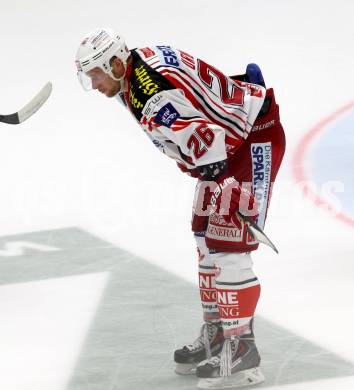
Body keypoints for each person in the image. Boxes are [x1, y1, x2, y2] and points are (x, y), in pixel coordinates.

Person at [75, 28, 286, 389]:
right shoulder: (137, 66)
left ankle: (243, 348)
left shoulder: (150, 93)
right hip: (231, 143)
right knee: (206, 239)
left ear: (113, 63)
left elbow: (208, 142)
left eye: (95, 75)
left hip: (250, 142)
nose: (94, 85)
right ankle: (218, 334)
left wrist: (226, 189)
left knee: (228, 246)